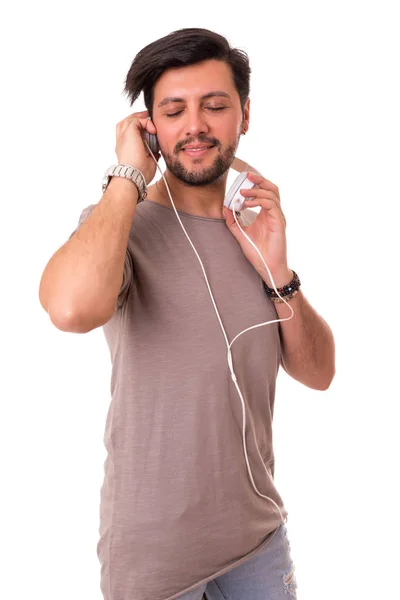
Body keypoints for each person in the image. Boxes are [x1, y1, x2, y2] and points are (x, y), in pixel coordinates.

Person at [39, 27, 335, 600]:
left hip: (259, 546)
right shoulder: (117, 229)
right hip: (154, 563)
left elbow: (319, 374)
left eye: (215, 106)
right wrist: (128, 175)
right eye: (174, 110)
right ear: (150, 127)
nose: (196, 126)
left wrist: (278, 271)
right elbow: (71, 309)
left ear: (244, 115)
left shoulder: (253, 228)